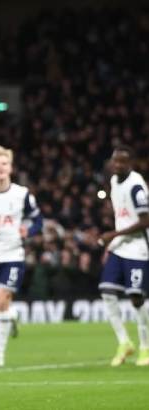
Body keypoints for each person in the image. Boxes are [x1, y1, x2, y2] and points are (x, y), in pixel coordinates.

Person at [0, 145, 42, 367]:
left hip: (13, 253)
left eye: (4, 163)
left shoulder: (22, 194)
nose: (1, 167)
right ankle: (12, 316)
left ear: (11, 167)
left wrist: (29, 231)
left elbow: (37, 219)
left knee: (2, 298)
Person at [98, 146, 149, 367]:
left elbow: (146, 221)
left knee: (136, 298)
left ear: (131, 163)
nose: (117, 165)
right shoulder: (113, 181)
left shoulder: (136, 187)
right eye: (115, 161)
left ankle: (146, 347)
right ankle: (124, 342)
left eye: (122, 162)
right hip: (120, 246)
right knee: (107, 291)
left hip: (138, 248)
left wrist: (113, 234)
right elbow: (122, 215)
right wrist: (112, 242)